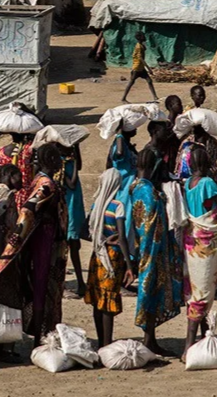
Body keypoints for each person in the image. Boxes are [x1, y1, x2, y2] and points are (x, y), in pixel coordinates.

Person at [0, 145, 67, 348]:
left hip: (38, 239)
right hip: (44, 242)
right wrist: (17, 235)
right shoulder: (46, 184)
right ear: (52, 162)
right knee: (41, 286)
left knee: (38, 285)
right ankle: (39, 337)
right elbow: (29, 208)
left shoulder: (37, 179)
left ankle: (40, 333)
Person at [123, 148, 182, 355]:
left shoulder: (135, 186)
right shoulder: (147, 191)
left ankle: (151, 339)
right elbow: (150, 225)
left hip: (145, 249)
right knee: (151, 293)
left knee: (153, 294)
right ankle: (148, 340)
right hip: (152, 251)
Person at [181, 148, 217, 353]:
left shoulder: (187, 183)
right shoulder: (208, 184)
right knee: (202, 291)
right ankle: (188, 347)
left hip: (192, 241)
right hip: (204, 245)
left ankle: (202, 339)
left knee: (196, 288)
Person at [84, 168, 131, 348]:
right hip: (112, 257)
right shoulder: (117, 206)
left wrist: (101, 240)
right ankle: (107, 343)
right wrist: (128, 264)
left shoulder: (97, 205)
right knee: (108, 301)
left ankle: (100, 342)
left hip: (97, 255)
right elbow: (122, 237)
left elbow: (86, 231)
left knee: (98, 300)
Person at [61, 144, 87, 297]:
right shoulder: (61, 164)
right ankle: (72, 283)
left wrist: (77, 148)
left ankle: (80, 282)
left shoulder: (69, 161)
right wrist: (75, 162)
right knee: (68, 247)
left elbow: (81, 165)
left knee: (75, 247)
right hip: (68, 210)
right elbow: (71, 183)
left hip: (74, 209)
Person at [121, 31, 157, 103]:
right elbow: (141, 58)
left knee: (149, 81)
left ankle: (155, 97)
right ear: (140, 38)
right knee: (131, 82)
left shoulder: (140, 45)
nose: (145, 37)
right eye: (143, 36)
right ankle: (123, 98)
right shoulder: (138, 47)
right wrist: (148, 68)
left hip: (141, 67)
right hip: (137, 68)